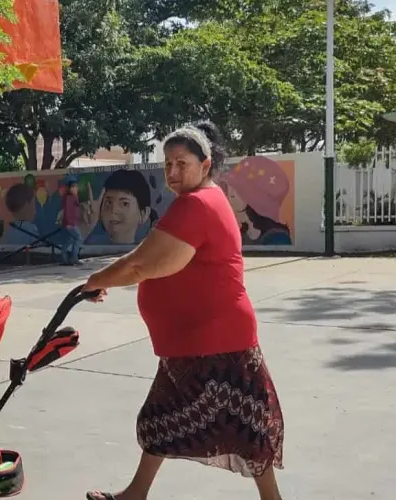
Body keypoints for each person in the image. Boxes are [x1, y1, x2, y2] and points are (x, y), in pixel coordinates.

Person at [81, 122, 285, 500]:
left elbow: (143, 264)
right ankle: (135, 494)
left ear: (205, 165)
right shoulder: (204, 199)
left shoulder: (196, 205)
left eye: (182, 163)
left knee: (247, 430)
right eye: (167, 163)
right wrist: (103, 279)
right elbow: (152, 262)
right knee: (164, 418)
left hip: (216, 341)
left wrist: (96, 279)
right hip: (196, 341)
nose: (173, 172)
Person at [81, 169, 159, 245]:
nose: (113, 210)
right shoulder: (91, 244)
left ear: (144, 214)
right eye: (108, 202)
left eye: (124, 204)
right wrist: (85, 228)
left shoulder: (149, 250)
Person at [60, 179, 83, 265]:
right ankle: (73, 257)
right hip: (71, 223)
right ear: (71, 188)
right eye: (75, 187)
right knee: (78, 238)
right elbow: (68, 211)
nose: (77, 189)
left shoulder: (72, 197)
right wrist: (69, 222)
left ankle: (64, 258)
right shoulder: (70, 197)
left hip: (71, 222)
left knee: (70, 239)